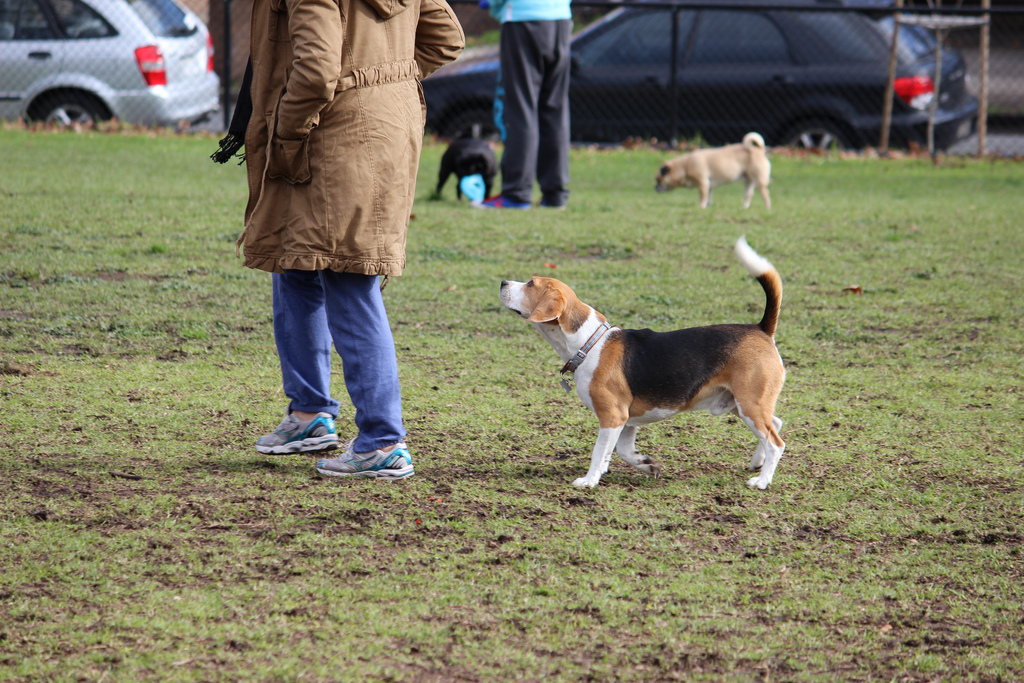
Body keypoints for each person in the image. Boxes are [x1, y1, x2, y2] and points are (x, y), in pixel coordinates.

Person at [222, 0, 464, 479]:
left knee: (350, 276)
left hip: (331, 133)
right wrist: (385, 83)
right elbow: (446, 38)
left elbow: (314, 70)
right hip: (386, 125)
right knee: (297, 261)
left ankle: (381, 441)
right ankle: (310, 414)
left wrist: (287, 134)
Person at [479, 0, 572, 210]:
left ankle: (517, 193)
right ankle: (555, 195)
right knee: (555, 109)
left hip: (524, 20)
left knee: (521, 107)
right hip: (560, 19)